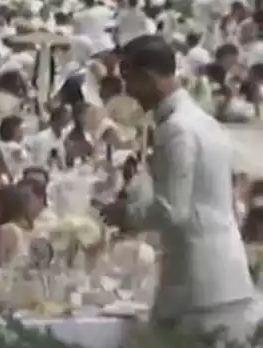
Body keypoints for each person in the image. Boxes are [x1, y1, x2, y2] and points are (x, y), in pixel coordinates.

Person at [104, 34, 260, 342]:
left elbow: (172, 210)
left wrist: (127, 214)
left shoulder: (176, 128)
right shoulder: (204, 121)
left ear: (148, 77)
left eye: (129, 80)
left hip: (195, 285)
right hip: (226, 276)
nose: (128, 92)